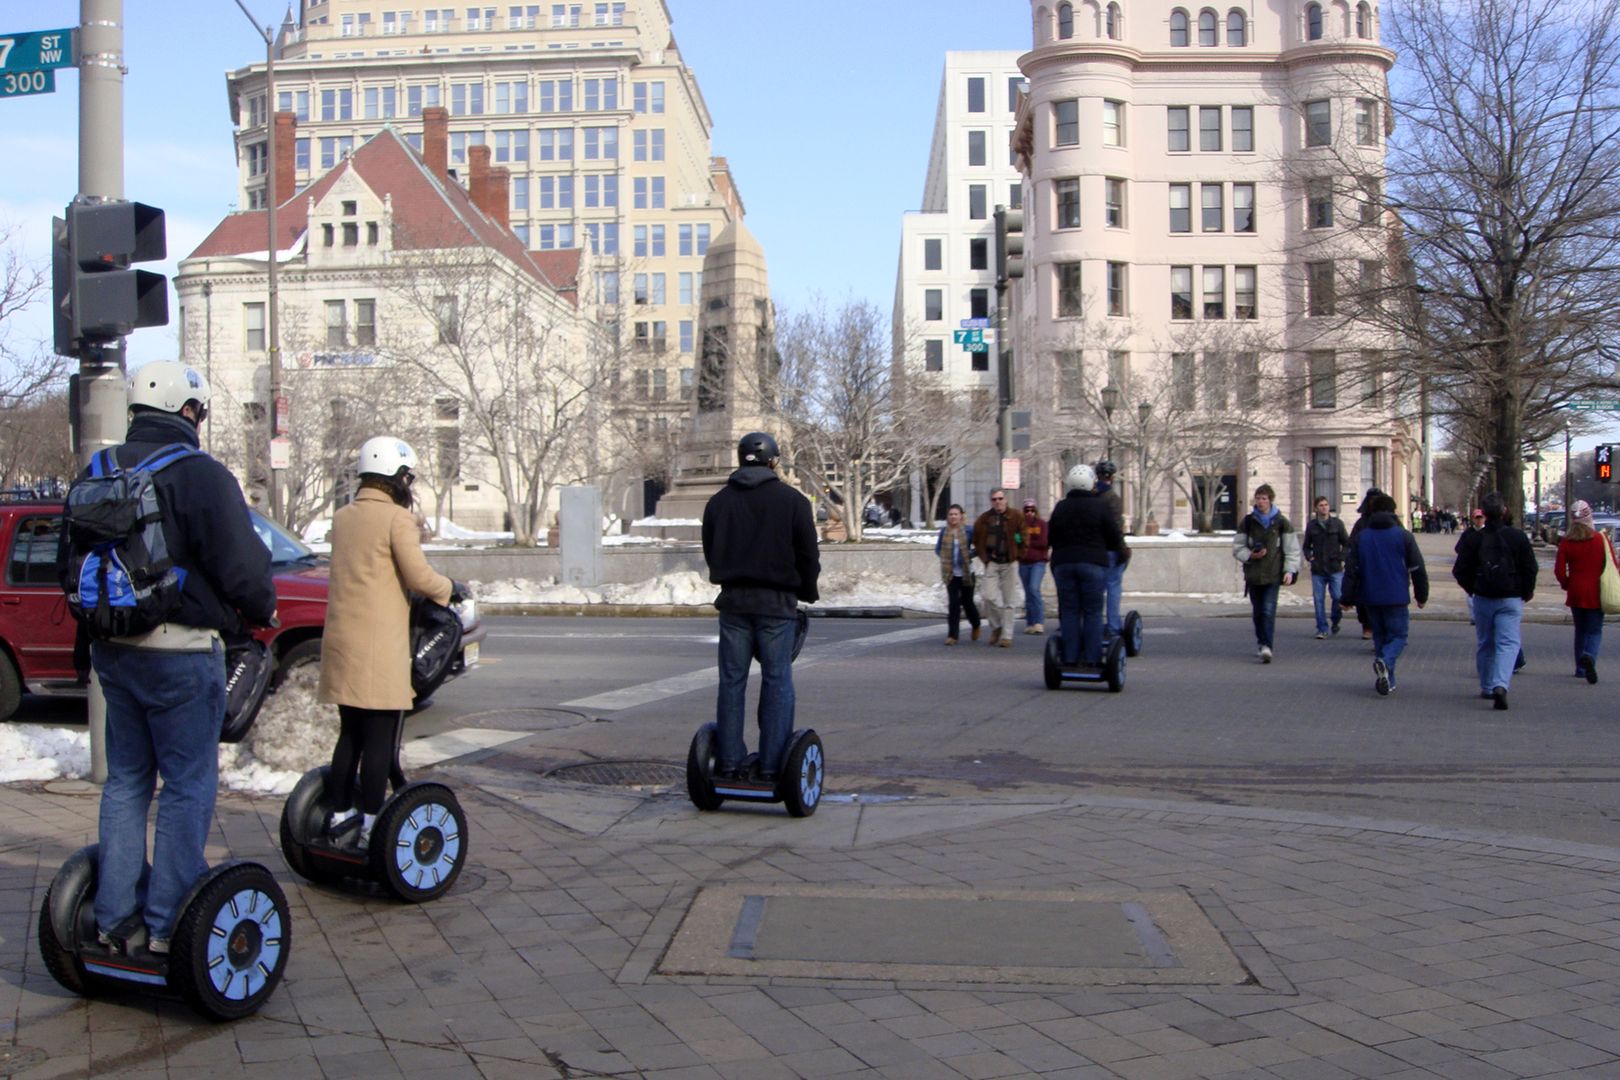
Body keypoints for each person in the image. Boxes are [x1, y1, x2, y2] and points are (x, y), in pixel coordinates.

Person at [61, 361, 277, 956]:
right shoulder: (199, 474)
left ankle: (113, 920)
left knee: (126, 783)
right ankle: (167, 925)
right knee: (186, 786)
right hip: (180, 652)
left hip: (113, 652)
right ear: (187, 411)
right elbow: (244, 567)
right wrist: (261, 608)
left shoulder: (97, 471)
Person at [319, 437, 461, 848]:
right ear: (396, 477)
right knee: (380, 739)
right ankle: (369, 822)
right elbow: (418, 576)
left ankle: (339, 813)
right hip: (378, 648)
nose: (409, 485)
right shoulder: (398, 520)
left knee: (350, 735)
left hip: (342, 643)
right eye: (407, 477)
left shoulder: (344, 517)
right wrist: (450, 588)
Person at [701, 432, 820, 780]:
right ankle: (771, 766)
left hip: (734, 603)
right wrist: (807, 591)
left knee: (732, 681)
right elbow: (808, 555)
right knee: (777, 680)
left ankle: (728, 762)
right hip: (776, 604)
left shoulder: (717, 503)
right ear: (774, 461)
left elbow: (711, 551)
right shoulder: (793, 501)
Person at [1452, 490, 1537, 710]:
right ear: (1504, 511)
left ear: (1484, 513)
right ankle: (1501, 683)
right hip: (1510, 596)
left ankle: (1488, 685)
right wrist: (1526, 591)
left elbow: (1460, 569)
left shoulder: (1474, 539)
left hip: (1483, 596)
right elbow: (1530, 568)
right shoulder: (1517, 537)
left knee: (1486, 642)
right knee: (1508, 643)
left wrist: (1473, 589)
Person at [1343, 493, 1427, 695]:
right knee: (1399, 636)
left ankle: (1388, 678)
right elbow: (1417, 568)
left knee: (1379, 635)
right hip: (1396, 595)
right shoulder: (1403, 535)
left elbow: (1352, 569)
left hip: (1370, 595)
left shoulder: (1362, 537)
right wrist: (1421, 594)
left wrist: (1346, 597)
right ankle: (1385, 662)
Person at [1047, 463, 1126, 667]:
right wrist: (1119, 551)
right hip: (1092, 564)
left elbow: (1051, 536)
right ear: (1091, 483)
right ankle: (1092, 658)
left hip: (1063, 564)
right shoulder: (1099, 506)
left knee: (1070, 610)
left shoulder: (1060, 507)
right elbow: (1113, 536)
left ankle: (1070, 657)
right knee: (1092, 611)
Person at [1232, 483, 1300, 663]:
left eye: (1264, 498)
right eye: (1258, 498)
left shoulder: (1281, 522)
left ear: (1270, 500)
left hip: (1273, 574)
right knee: (1258, 612)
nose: (1261, 502)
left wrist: (1290, 570)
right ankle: (1261, 641)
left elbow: (1292, 549)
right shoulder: (1248, 522)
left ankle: (1267, 646)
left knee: (1268, 611)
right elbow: (1237, 547)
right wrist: (1250, 555)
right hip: (1254, 575)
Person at [1554, 500, 1612, 684]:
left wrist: (1566, 584)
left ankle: (1580, 667)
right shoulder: (1600, 540)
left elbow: (1559, 571)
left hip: (1576, 590)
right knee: (1594, 630)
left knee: (1580, 629)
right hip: (1596, 590)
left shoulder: (1566, 542)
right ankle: (1589, 656)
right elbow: (1612, 565)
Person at [973, 488, 1026, 647]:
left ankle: (1007, 636)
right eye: (994, 499)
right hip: (993, 562)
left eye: (1000, 498)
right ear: (991, 501)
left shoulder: (1016, 516)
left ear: (1006, 499)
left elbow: (1024, 537)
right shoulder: (984, 519)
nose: (998, 502)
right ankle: (996, 626)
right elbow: (977, 540)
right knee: (988, 596)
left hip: (1009, 562)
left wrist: (1019, 554)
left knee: (1009, 600)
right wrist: (985, 558)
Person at [1302, 495, 1350, 639]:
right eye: (1321, 505)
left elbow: (1347, 543)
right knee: (1318, 600)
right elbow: (1306, 546)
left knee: (1337, 596)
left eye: (1326, 505)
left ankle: (1336, 619)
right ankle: (1322, 628)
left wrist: (1342, 557)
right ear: (1316, 508)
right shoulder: (1312, 526)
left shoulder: (1337, 524)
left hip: (1334, 567)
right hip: (1318, 568)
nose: (1324, 507)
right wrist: (1309, 556)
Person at [935, 504, 982, 645]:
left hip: (967, 573)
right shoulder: (944, 532)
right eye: (950, 514)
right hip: (951, 573)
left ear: (961, 515)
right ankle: (952, 636)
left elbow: (978, 547)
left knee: (968, 603)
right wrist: (945, 557)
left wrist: (969, 555)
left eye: (955, 514)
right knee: (954, 604)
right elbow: (937, 549)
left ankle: (976, 624)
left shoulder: (968, 531)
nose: (953, 517)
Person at [1094, 460, 1129, 640]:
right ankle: (1113, 626)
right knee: (1113, 587)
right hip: (1110, 549)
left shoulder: (1091, 496)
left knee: (1096, 589)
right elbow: (1116, 528)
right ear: (1112, 477)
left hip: (1093, 549)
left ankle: (1095, 625)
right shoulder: (1113, 498)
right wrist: (1122, 548)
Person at [1018, 498, 1050, 634]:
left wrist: (1027, 542)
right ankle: (1030, 622)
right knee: (1028, 593)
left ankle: (1039, 622)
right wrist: (1027, 542)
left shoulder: (1041, 524)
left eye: (1032, 510)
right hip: (1024, 562)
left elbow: (1044, 542)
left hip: (1038, 562)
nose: (1029, 513)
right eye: (1026, 510)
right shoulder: (1020, 525)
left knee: (1034, 589)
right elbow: (1017, 540)